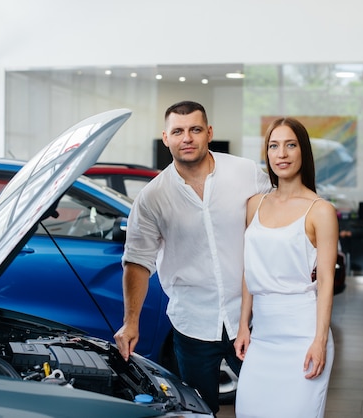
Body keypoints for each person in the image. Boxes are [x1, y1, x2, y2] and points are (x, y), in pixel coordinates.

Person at [113, 100, 272, 415]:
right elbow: (137, 262)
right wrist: (131, 322)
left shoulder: (247, 173)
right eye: (178, 131)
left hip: (251, 318)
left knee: (267, 405)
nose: (187, 137)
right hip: (193, 325)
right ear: (166, 137)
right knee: (199, 411)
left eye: (195, 129)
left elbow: (272, 230)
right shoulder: (152, 198)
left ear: (209, 132)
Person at [234, 117, 338, 417]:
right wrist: (244, 324)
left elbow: (327, 282)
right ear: (266, 154)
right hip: (263, 336)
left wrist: (319, 342)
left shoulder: (320, 210)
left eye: (290, 145)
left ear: (302, 151)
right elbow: (249, 268)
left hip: (304, 335)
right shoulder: (255, 204)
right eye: (274, 146)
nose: (282, 154)